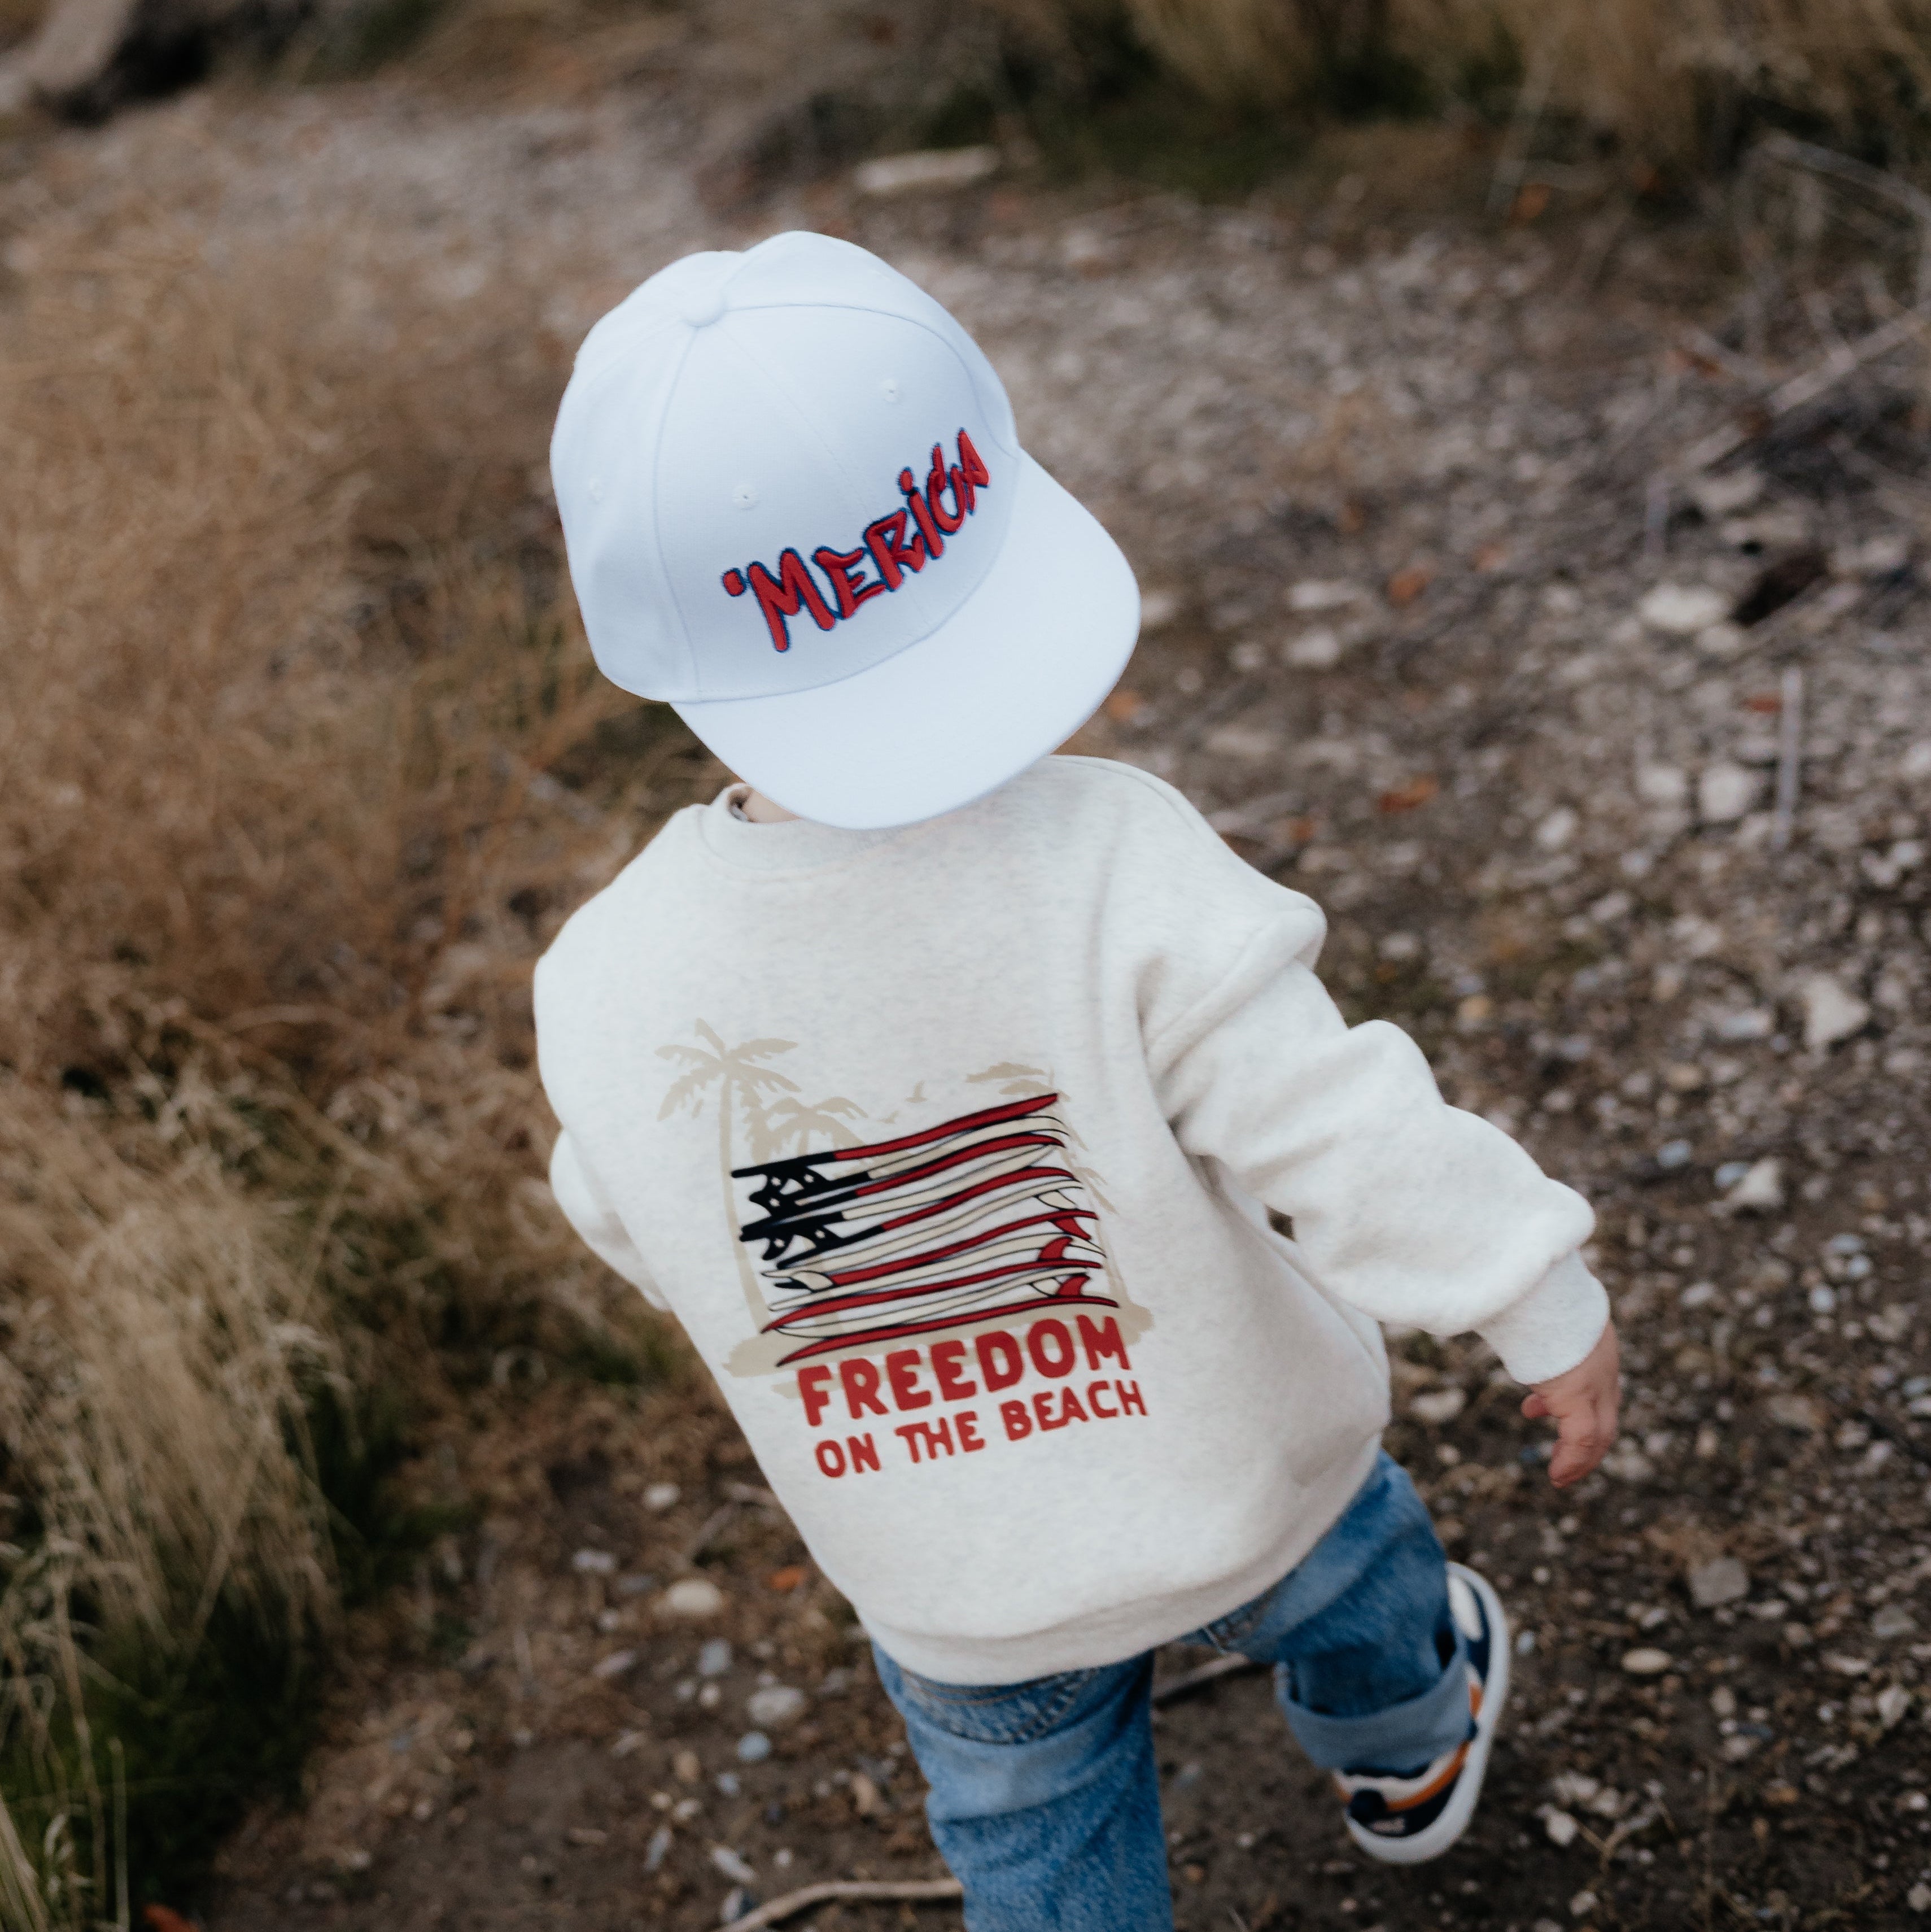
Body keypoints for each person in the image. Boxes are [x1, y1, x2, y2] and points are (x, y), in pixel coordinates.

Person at [535, 231, 1622, 1929]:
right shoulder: (1111, 856)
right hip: (1257, 1489)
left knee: (1035, 1841)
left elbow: (630, 1211)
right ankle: (1408, 1757)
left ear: (657, 644)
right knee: (1370, 1613)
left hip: (953, 1580)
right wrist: (1530, 1294)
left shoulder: (603, 976)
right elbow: (1329, 1122)